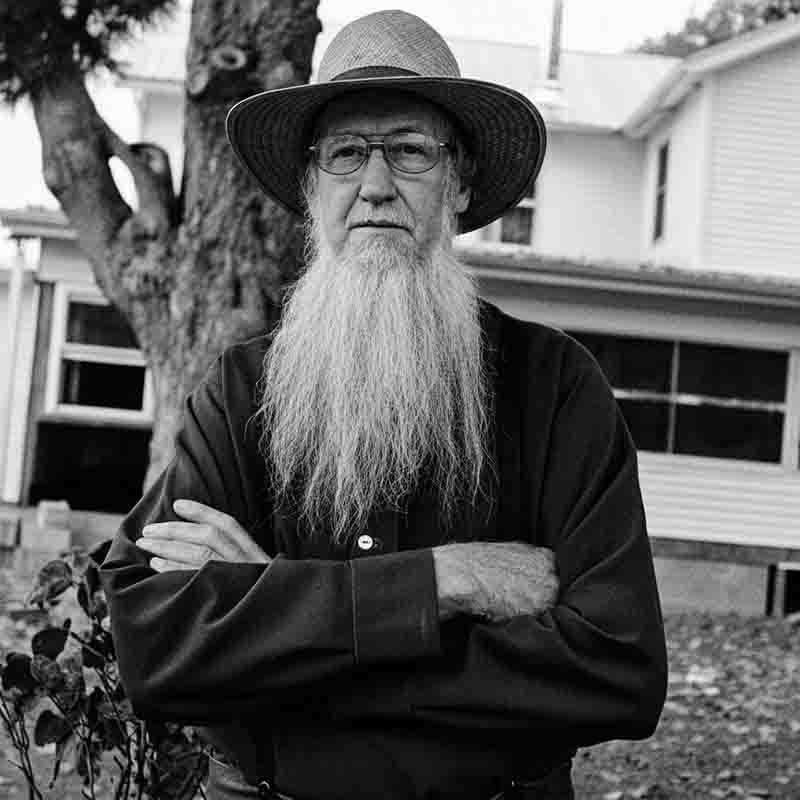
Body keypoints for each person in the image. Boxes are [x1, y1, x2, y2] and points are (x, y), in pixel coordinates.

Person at [100, 10, 668, 800]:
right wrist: (443, 583)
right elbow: (154, 642)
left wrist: (284, 618)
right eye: (345, 154)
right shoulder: (240, 391)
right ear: (312, 185)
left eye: (408, 151)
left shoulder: (557, 387)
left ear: (459, 182)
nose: (374, 186)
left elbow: (619, 670)